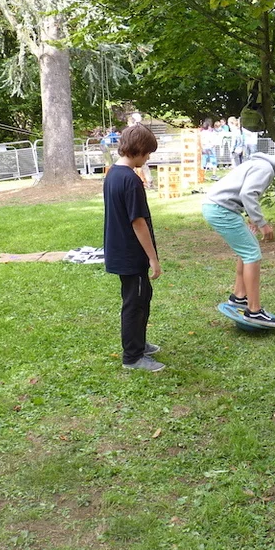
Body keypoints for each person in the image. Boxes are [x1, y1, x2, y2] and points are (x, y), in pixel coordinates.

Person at [202, 150, 275, 327]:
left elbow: (243, 191)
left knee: (246, 250)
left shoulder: (262, 165)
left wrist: (251, 216)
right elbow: (248, 194)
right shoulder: (266, 169)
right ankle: (254, 310)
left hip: (218, 207)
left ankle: (239, 297)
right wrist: (262, 223)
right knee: (252, 254)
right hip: (221, 209)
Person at [103, 124, 164, 372]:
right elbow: (138, 222)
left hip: (120, 251)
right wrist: (153, 258)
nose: (148, 158)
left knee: (142, 297)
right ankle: (133, 357)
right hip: (131, 254)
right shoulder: (130, 180)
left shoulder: (113, 174)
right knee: (135, 303)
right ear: (138, 149)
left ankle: (138, 342)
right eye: (147, 153)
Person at [126, 112, 153, 189]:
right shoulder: (140, 129)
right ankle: (148, 182)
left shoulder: (133, 131)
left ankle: (148, 182)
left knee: (139, 167)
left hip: (136, 152)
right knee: (143, 167)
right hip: (138, 151)